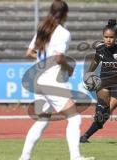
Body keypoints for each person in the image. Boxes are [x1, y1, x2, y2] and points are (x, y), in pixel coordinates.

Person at [19, 1, 95, 160]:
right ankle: (75, 157)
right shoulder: (63, 33)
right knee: (75, 118)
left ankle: (24, 157)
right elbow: (59, 58)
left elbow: (29, 53)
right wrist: (69, 67)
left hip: (37, 81)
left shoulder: (43, 28)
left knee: (42, 121)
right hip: (51, 81)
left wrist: (44, 59)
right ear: (65, 14)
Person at [80, 19, 117, 143]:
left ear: (116, 37)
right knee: (102, 110)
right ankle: (86, 136)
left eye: (111, 37)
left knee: (108, 109)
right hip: (104, 81)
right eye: (106, 37)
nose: (108, 39)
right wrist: (89, 72)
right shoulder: (100, 48)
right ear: (103, 37)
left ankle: (86, 135)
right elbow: (96, 60)